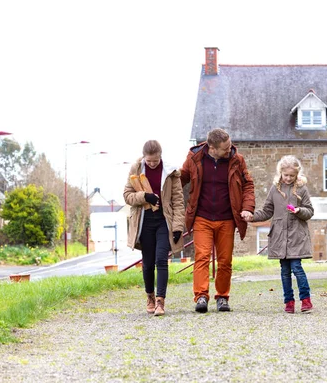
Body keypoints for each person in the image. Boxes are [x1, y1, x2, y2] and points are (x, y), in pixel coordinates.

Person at [180, 128, 255, 313]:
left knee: (225, 261)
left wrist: (247, 207)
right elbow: (179, 180)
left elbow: (248, 184)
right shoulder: (194, 158)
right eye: (225, 148)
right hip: (202, 217)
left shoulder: (237, 160)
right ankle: (201, 297)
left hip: (227, 218)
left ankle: (222, 297)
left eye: (230, 146)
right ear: (212, 148)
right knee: (202, 257)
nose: (229, 150)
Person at [244, 155, 314, 314]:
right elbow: (267, 211)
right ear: (280, 173)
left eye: (292, 176)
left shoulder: (302, 189)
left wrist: (299, 211)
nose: (288, 178)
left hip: (297, 236)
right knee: (284, 270)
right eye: (286, 175)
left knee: (297, 268)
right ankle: (288, 301)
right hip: (280, 237)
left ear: (297, 174)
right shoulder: (275, 189)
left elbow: (310, 211)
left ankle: (306, 299)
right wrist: (253, 216)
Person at [124, 140, 185, 316]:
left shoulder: (171, 172)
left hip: (163, 221)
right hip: (144, 222)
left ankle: (160, 301)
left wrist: (178, 227)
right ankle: (150, 296)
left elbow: (178, 201)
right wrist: (145, 197)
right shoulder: (136, 169)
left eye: (155, 161)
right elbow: (127, 196)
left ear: (160, 157)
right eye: (149, 161)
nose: (152, 164)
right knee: (148, 263)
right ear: (144, 157)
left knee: (161, 260)